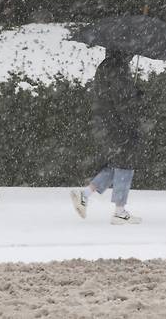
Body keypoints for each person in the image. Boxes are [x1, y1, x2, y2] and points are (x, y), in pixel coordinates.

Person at [70, 48, 143, 225]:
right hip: (119, 124)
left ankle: (85, 194)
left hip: (107, 122)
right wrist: (136, 97)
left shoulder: (106, 66)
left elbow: (112, 96)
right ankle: (119, 211)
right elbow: (122, 100)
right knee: (125, 164)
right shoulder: (119, 68)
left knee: (115, 164)